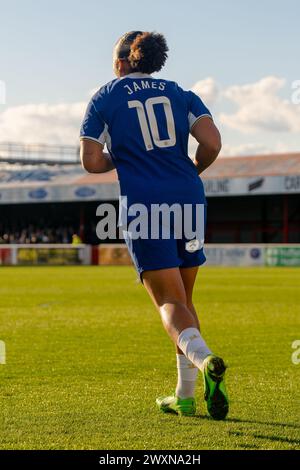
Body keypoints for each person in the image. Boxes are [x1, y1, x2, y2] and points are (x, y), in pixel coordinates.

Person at [80, 31, 229, 420]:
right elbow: (212, 142)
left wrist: (122, 155)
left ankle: (205, 359)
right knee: (185, 300)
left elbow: (91, 160)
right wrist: (193, 170)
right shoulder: (181, 92)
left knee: (169, 302)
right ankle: (184, 396)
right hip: (189, 198)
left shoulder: (106, 95)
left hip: (145, 203)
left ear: (121, 61)